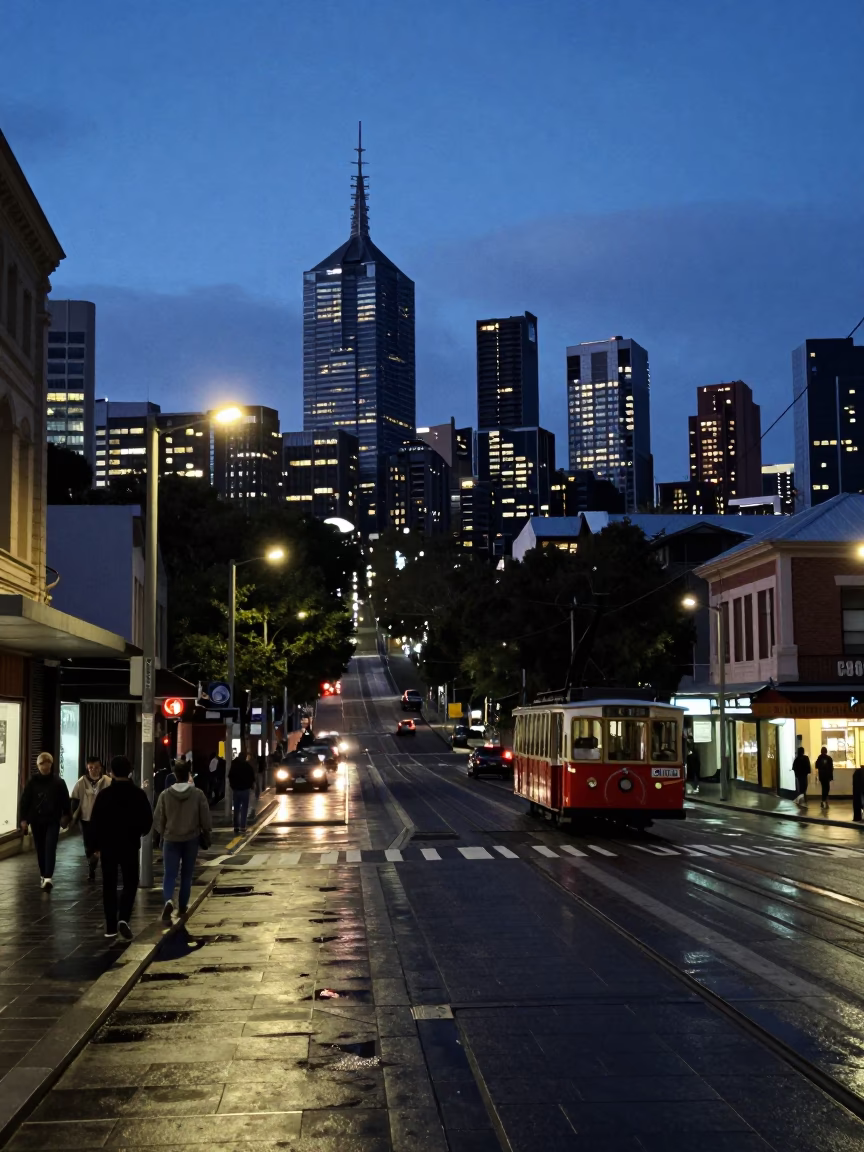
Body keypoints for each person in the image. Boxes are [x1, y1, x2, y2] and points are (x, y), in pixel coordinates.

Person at [89, 755, 153, 941]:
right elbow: (147, 821)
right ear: (130, 771)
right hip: (130, 845)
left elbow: (95, 822)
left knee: (108, 885)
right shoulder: (138, 795)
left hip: (108, 847)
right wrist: (138, 832)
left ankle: (110, 927)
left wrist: (95, 846)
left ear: (111, 772)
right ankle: (123, 917)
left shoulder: (104, 795)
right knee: (130, 882)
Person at [153, 760, 211, 920]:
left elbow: (158, 819)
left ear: (175, 775)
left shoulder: (165, 795)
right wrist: (206, 832)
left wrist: (160, 835)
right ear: (188, 775)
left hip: (170, 839)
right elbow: (205, 817)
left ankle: (168, 900)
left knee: (170, 874)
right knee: (186, 874)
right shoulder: (197, 794)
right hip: (191, 839)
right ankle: (183, 905)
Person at [20, 752, 72, 891]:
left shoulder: (58, 782)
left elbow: (66, 801)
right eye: (42, 763)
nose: (45, 765)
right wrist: (23, 819)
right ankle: (43, 874)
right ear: (38, 765)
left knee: (50, 846)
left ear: (51, 763)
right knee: (40, 848)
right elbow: (25, 801)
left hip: (52, 820)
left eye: (47, 762)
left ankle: (48, 877)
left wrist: (67, 816)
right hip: (36, 820)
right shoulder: (32, 782)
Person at [70, 756, 111, 880]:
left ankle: (98, 859)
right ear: (87, 768)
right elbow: (75, 799)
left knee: (102, 842)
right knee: (88, 843)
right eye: (91, 767)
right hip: (86, 818)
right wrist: (73, 815)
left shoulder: (107, 781)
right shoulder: (81, 782)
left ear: (101, 768)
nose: (94, 770)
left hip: (104, 818)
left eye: (97, 767)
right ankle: (91, 866)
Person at [228, 751, 255, 834]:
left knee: (236, 809)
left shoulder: (234, 765)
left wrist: (233, 786)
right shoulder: (248, 766)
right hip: (245, 790)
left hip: (236, 790)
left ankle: (236, 826)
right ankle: (243, 826)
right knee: (244, 809)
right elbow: (252, 777)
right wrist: (250, 785)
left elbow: (230, 776)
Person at [815, 746, 834, 811]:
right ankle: (824, 800)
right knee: (827, 788)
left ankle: (823, 800)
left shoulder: (819, 758)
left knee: (824, 788)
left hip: (822, 776)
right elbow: (831, 768)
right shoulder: (829, 758)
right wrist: (831, 776)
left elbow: (816, 766)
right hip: (827, 776)